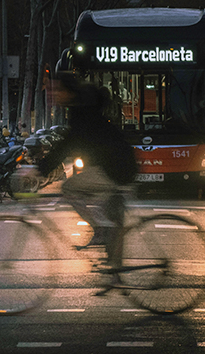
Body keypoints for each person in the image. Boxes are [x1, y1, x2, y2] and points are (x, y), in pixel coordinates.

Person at [38, 73, 138, 246]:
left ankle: (100, 229)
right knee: (110, 217)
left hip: (114, 169)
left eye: (57, 90)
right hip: (118, 165)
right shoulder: (86, 106)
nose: (53, 95)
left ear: (69, 91)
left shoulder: (82, 111)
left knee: (69, 187)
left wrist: (40, 170)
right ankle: (113, 264)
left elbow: (68, 143)